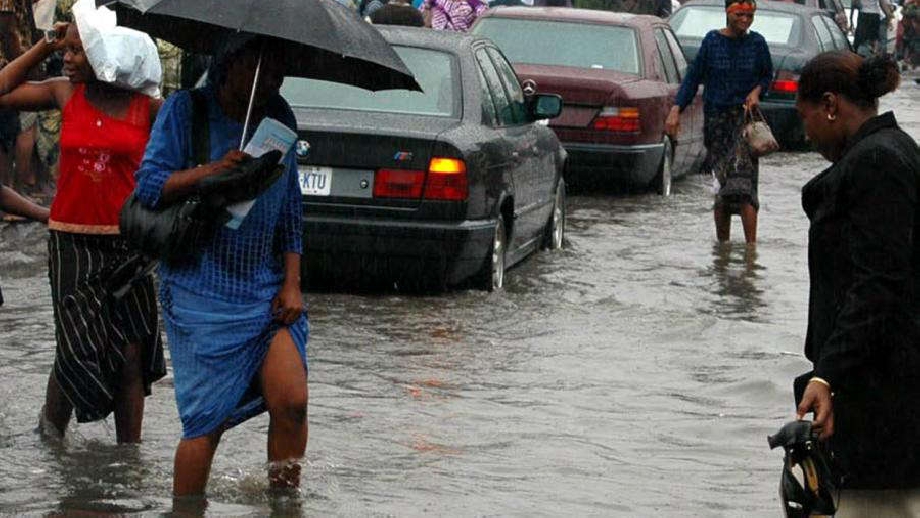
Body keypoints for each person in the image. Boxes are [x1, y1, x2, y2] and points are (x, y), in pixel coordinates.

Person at [134, 33, 309, 496]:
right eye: (262, 69)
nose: (273, 80)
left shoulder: (280, 118)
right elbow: (150, 185)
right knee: (205, 423)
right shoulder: (186, 110)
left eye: (279, 71)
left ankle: (283, 505)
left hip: (263, 284)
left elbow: (290, 207)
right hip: (199, 287)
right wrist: (213, 170)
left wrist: (292, 282)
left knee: (292, 402)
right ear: (230, 63)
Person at [0, 19, 165, 443]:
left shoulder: (147, 107)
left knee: (131, 351)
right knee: (77, 347)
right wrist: (42, 46)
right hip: (72, 240)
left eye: (77, 50)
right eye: (66, 50)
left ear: (105, 56)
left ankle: (129, 455)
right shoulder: (63, 91)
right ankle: (51, 431)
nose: (67, 58)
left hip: (130, 242)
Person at [794, 51, 920, 515]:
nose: (806, 135)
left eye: (805, 118)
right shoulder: (890, 150)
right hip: (880, 392)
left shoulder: (877, 163)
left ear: (830, 105)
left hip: (882, 399)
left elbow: (876, 284)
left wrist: (829, 373)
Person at [665, 0, 772, 244]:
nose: (745, 20)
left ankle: (750, 252)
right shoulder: (712, 42)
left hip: (745, 124)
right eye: (739, 15)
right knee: (722, 187)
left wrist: (756, 93)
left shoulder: (757, 43)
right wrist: (676, 109)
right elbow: (693, 79)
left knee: (745, 187)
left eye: (749, 15)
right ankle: (722, 249)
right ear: (728, 13)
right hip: (716, 124)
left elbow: (767, 76)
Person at [420, 0, 487, 31]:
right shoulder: (433, 1)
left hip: (461, 42)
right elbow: (419, 17)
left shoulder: (475, 4)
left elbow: (485, 23)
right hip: (437, 40)